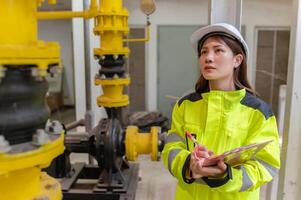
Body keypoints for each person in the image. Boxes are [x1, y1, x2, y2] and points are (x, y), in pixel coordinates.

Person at [162, 23, 280, 200]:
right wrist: (189, 164)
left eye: (218, 50)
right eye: (203, 52)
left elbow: (266, 164)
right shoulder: (186, 105)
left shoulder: (258, 112)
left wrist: (226, 176)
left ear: (237, 60)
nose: (208, 58)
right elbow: (171, 148)